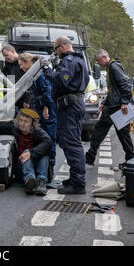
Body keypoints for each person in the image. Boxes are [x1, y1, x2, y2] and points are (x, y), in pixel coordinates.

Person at [42, 36, 89, 194]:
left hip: (70, 107)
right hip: (72, 105)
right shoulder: (78, 60)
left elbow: (61, 81)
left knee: (72, 144)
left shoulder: (69, 61)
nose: (55, 54)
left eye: (55, 50)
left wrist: (47, 70)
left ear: (62, 47)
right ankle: (75, 178)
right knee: (71, 142)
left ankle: (78, 184)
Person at [0, 108, 52, 195]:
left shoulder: (38, 132)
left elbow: (48, 142)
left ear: (32, 124)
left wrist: (31, 154)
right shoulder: (14, 129)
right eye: (21, 120)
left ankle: (41, 183)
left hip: (38, 167)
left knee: (43, 153)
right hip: (21, 168)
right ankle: (30, 181)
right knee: (26, 152)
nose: (22, 124)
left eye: (26, 121)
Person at [85, 50, 134, 166]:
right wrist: (105, 102)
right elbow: (113, 90)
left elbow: (125, 85)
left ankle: (90, 157)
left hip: (117, 107)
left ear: (104, 57)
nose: (98, 63)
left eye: (98, 61)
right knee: (122, 135)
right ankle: (131, 160)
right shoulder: (111, 67)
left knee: (100, 132)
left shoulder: (113, 67)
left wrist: (123, 102)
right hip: (114, 106)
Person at [17, 53, 57, 182]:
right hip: (40, 106)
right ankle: (41, 168)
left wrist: (46, 107)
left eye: (21, 64)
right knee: (41, 137)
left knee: (48, 136)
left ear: (27, 62)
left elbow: (47, 90)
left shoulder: (38, 72)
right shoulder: (34, 72)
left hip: (46, 108)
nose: (21, 67)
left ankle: (49, 171)